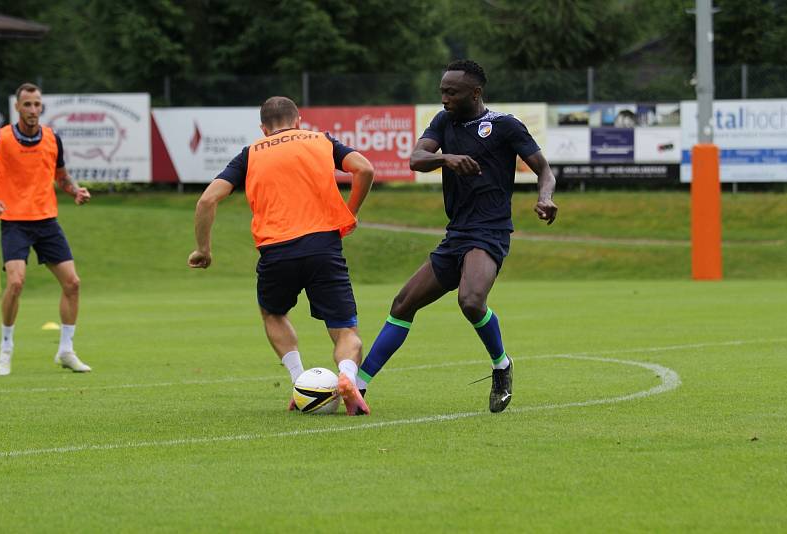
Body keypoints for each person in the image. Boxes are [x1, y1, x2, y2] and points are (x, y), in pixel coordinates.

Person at [357, 60, 558, 412]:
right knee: (403, 304)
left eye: (452, 92)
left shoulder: (505, 126)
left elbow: (544, 170)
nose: (445, 97)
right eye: (442, 91)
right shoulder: (442, 121)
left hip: (491, 230)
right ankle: (358, 388)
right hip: (457, 233)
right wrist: (446, 158)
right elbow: (417, 159)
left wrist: (544, 197)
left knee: (471, 301)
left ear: (475, 92)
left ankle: (502, 365)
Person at [188, 96, 375, 415]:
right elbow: (364, 169)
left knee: (273, 314)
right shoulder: (321, 140)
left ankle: (300, 379)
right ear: (299, 120)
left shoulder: (250, 153)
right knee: (345, 329)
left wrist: (203, 249)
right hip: (323, 245)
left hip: (276, 250)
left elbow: (207, 201)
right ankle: (346, 374)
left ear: (263, 128)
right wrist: (351, 212)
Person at [0, 83, 92, 376]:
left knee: (72, 283)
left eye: (37, 104)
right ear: (18, 107)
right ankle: (6, 349)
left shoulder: (52, 139)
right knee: (16, 283)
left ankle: (66, 350)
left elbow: (61, 176)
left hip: (47, 221)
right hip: (14, 221)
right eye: (28, 105)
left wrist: (74, 190)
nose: (33, 110)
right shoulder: (1, 139)